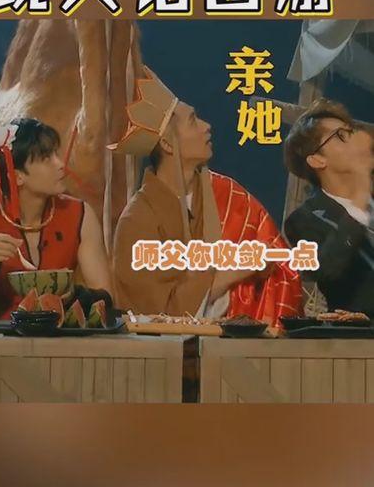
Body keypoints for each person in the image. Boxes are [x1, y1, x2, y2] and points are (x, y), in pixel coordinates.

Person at [111, 68, 302, 325]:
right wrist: (230, 274)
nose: (206, 126)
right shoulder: (136, 220)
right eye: (193, 121)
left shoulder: (229, 194)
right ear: (167, 144)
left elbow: (278, 258)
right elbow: (154, 312)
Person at [0, 117, 112, 402]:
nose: (61, 164)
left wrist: (72, 296)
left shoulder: (81, 215)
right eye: (47, 158)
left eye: (57, 154)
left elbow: (106, 298)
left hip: (62, 337)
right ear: (18, 176)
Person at [284, 99, 374, 316]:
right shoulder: (302, 221)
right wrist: (359, 202)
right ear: (317, 160)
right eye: (342, 136)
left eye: (353, 132)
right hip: (361, 333)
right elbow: (328, 270)